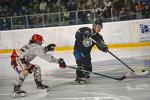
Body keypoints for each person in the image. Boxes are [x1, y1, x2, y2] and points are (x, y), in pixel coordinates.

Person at [73, 19, 108, 84]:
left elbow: (101, 46)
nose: (99, 28)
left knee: (88, 70)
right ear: (94, 26)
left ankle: (84, 73)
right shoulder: (85, 30)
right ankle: (78, 77)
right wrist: (83, 36)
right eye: (98, 26)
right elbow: (76, 35)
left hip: (86, 53)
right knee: (80, 62)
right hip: (78, 50)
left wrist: (104, 48)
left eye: (100, 27)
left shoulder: (98, 37)